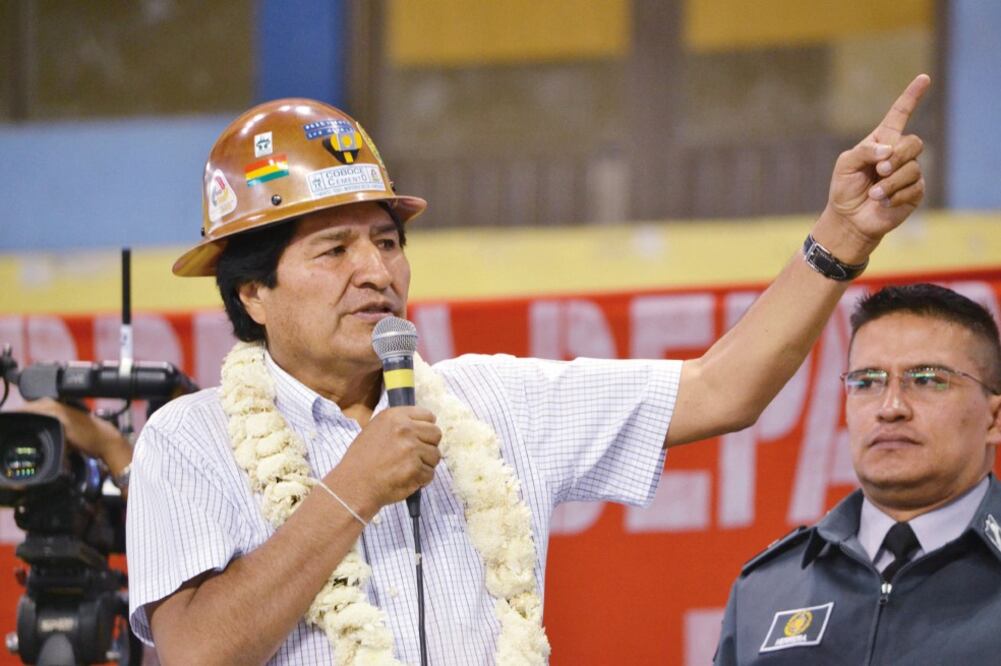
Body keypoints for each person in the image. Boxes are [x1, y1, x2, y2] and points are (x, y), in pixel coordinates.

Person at [126, 74, 930, 665]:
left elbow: (723, 388)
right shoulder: (189, 440)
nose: (376, 271)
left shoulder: (491, 404)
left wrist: (843, 235)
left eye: (387, 242)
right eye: (334, 250)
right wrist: (350, 491)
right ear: (253, 292)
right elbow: (196, 654)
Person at [714, 283, 1001, 665]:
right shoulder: (767, 589)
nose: (891, 407)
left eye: (927, 380)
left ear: (994, 418)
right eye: (866, 382)